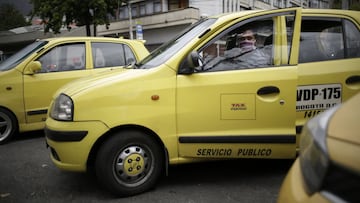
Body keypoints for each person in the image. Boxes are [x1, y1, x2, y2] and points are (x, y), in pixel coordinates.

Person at [202, 29, 272, 71]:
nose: (246, 41)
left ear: (254, 40)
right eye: (242, 39)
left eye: (249, 38)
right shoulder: (233, 54)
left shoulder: (260, 57)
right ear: (238, 42)